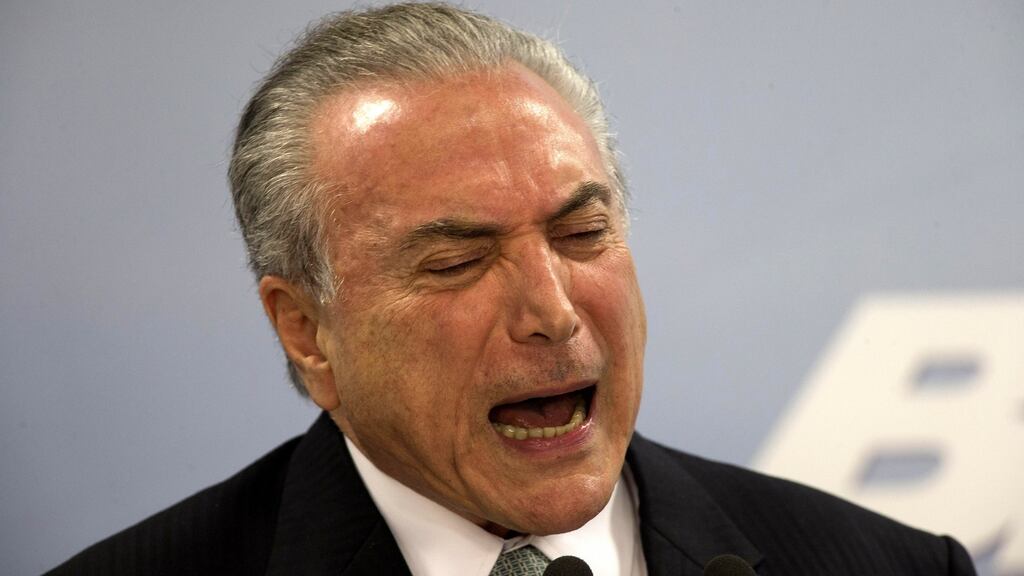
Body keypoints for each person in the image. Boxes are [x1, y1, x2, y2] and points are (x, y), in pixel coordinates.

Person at [48, 3, 976, 575]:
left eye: (582, 235)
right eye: (458, 261)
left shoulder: (892, 567)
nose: (553, 313)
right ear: (306, 330)